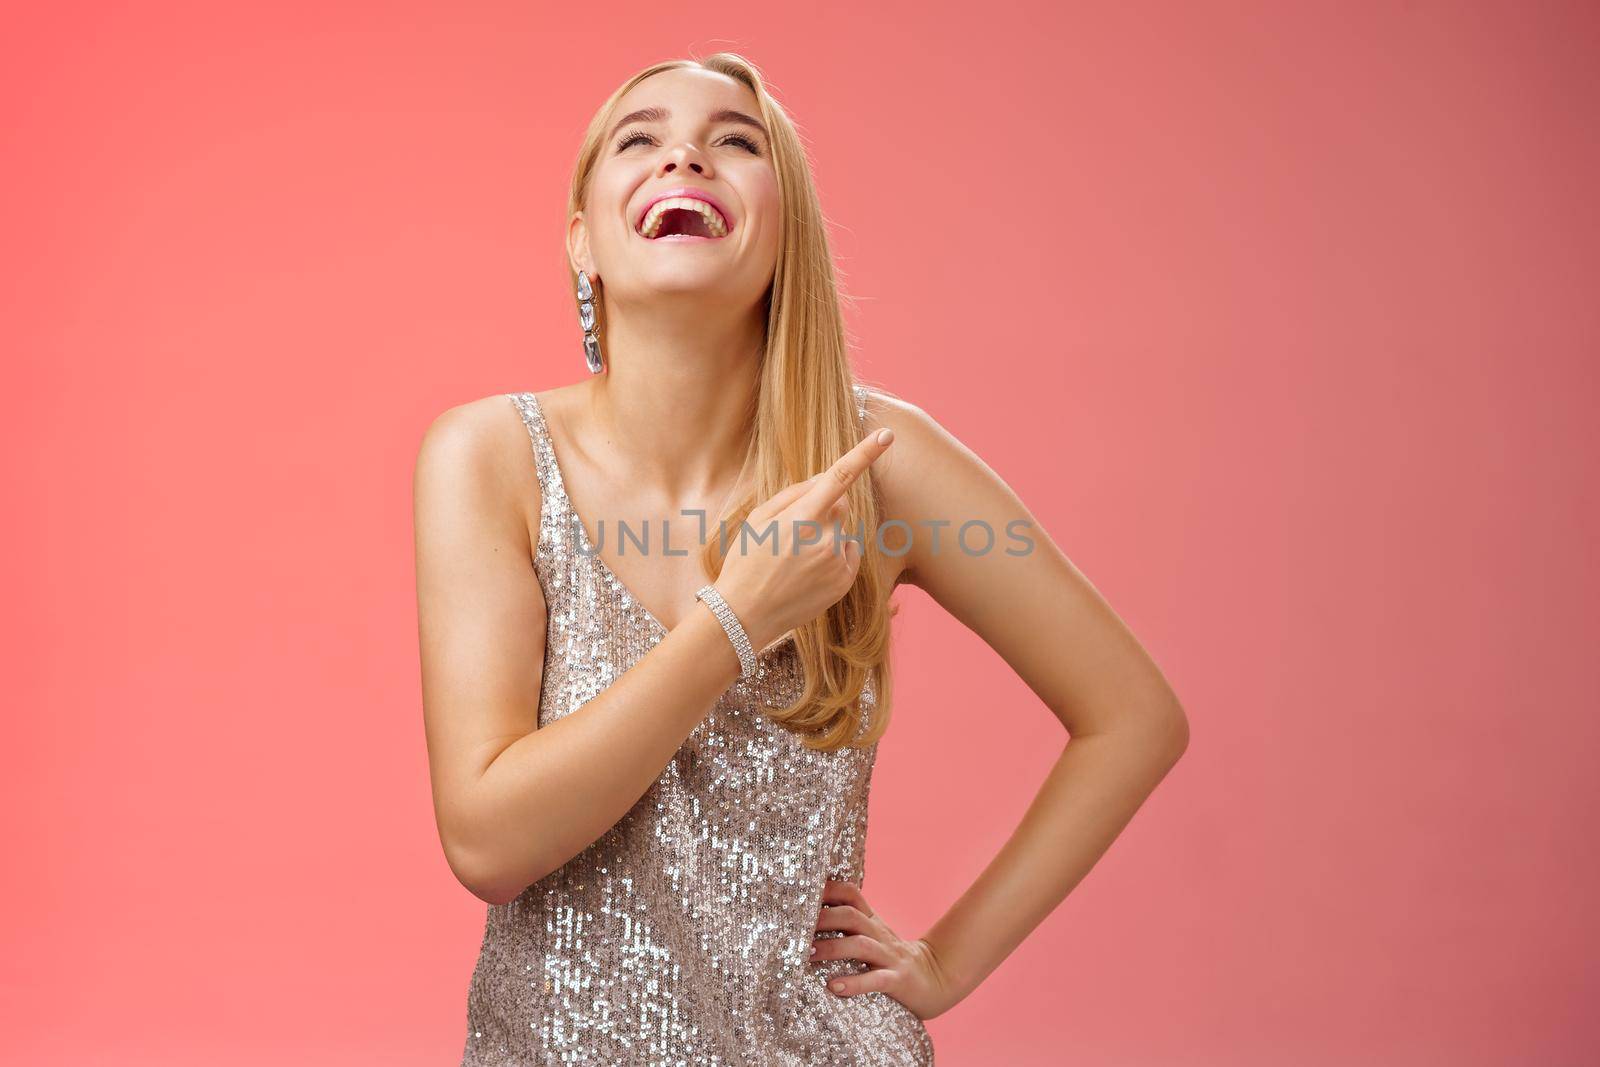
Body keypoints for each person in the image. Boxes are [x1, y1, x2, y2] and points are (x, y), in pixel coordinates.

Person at [413, 51, 1189, 1066]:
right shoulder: (490, 457)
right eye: (637, 139)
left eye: (735, 141)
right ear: (581, 241)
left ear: (786, 227)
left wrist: (946, 962)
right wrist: (736, 619)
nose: (684, 153)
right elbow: (489, 844)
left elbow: (1134, 717)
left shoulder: (879, 465)